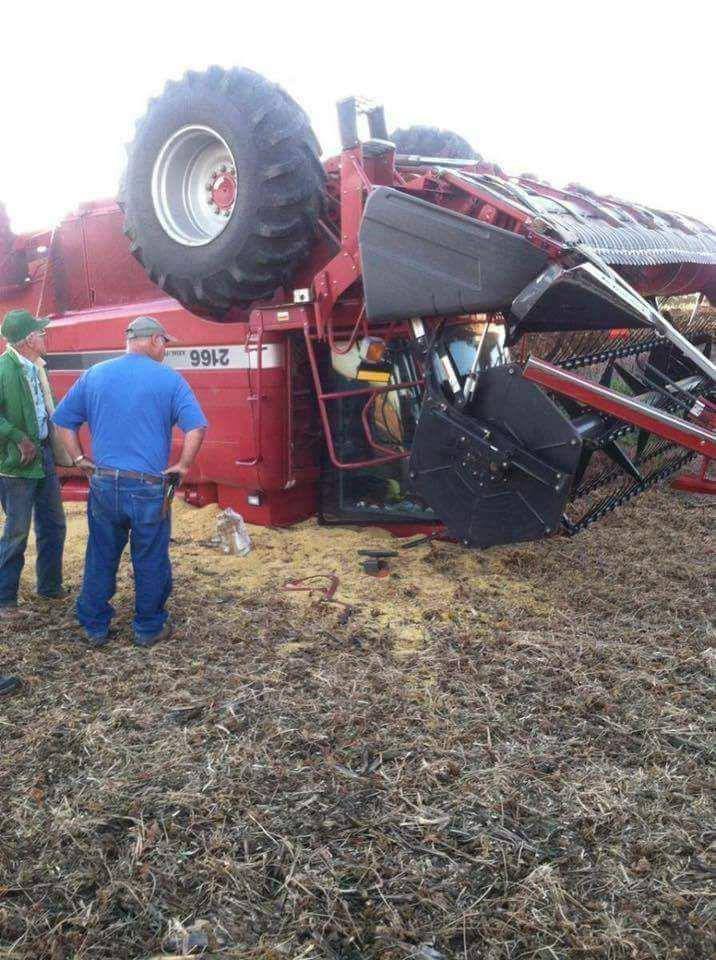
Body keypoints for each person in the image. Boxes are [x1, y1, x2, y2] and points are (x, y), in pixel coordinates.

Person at [53, 316, 207, 648]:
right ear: (154, 341)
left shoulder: (95, 374)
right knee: (150, 557)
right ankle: (148, 628)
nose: (165, 350)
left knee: (101, 554)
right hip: (149, 486)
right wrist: (182, 465)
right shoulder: (170, 380)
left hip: (105, 483)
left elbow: (63, 421)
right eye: (165, 343)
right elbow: (196, 427)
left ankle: (94, 626)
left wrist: (80, 461)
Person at [0, 309, 69, 619]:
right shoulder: (3, 369)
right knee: (16, 532)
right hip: (18, 463)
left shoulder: (36, 366)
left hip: (42, 455)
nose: (44, 337)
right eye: (40, 333)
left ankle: (50, 587)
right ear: (29, 339)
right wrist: (18, 437)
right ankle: (5, 601)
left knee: (53, 523)